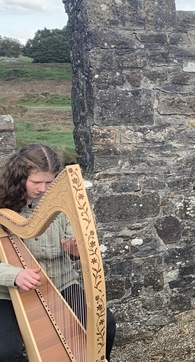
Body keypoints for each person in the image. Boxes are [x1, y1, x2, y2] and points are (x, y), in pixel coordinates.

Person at [0, 144, 116, 361]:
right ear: (18, 176)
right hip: (7, 291)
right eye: (36, 182)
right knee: (6, 353)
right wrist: (14, 275)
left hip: (60, 281)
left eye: (49, 182)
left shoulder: (60, 201)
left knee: (105, 324)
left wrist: (76, 251)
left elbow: (75, 237)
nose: (42, 189)